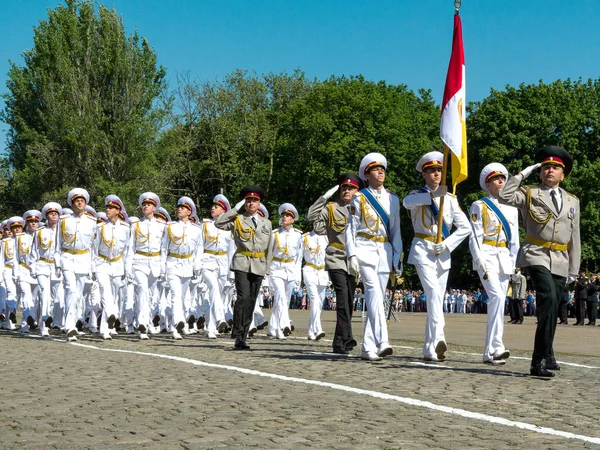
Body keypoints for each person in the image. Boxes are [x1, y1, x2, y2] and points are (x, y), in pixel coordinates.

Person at [498, 145, 580, 377]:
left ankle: (549, 353)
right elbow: (504, 195)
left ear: (563, 175)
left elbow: (575, 237)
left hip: (561, 259)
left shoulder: (572, 200)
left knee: (553, 306)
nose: (549, 170)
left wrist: (573, 268)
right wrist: (524, 173)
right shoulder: (530, 193)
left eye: (555, 168)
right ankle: (537, 362)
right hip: (536, 253)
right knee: (548, 298)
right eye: (545, 167)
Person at [403, 151, 470, 361]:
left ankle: (429, 348)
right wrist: (434, 195)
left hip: (442, 251)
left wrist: (448, 243)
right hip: (423, 248)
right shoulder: (416, 195)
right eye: (431, 171)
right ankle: (440, 337)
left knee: (437, 298)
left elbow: (465, 228)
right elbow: (407, 203)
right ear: (424, 174)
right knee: (432, 293)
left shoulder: (450, 199)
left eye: (439, 170)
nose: (436, 174)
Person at [346, 152, 403, 361]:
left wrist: (398, 257)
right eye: (375, 170)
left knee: (376, 298)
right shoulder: (359, 198)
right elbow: (351, 229)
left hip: (385, 250)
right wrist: (351, 254)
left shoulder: (393, 199)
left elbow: (396, 231)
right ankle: (383, 340)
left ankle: (367, 347)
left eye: (382, 169)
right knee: (374, 294)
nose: (380, 172)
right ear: (367, 175)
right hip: (364, 248)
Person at [469, 163, 519, 365]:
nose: (501, 182)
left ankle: (489, 351)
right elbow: (474, 236)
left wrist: (515, 264)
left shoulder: (512, 207)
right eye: (496, 180)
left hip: (504, 257)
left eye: (502, 179)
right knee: (497, 296)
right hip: (487, 255)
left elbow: (514, 239)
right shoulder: (479, 205)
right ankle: (496, 347)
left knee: (499, 302)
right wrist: (478, 259)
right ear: (488, 185)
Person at [308, 173, 362, 354]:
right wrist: (325, 196)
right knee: (342, 294)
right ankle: (347, 336)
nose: (346, 190)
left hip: (355, 259)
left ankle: (338, 343)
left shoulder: (363, 209)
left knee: (348, 299)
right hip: (336, 256)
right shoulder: (331, 208)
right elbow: (311, 216)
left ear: (357, 191)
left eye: (350, 188)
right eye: (343, 188)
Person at [214, 185, 272, 350]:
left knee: (252, 301)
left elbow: (269, 248)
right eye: (248, 200)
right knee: (243, 297)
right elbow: (219, 223)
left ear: (259, 203)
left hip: (259, 265)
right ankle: (238, 334)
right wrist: (236, 208)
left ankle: (243, 335)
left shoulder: (266, 223)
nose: (251, 203)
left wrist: (266, 269)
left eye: (254, 200)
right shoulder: (237, 220)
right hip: (242, 262)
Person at [56, 189, 97, 342]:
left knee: (78, 294)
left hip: (83, 259)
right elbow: (57, 243)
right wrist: (57, 263)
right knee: (70, 290)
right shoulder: (64, 220)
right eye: (76, 201)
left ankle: (72, 323)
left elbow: (93, 246)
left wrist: (92, 266)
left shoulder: (92, 222)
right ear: (71, 204)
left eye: (82, 201)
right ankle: (70, 326)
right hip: (67, 257)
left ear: (85, 204)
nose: (79, 203)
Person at [161, 196, 203, 339]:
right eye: (179, 207)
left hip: (187, 265)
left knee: (184, 296)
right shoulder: (170, 227)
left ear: (189, 212)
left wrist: (197, 264)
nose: (180, 209)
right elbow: (163, 248)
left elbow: (199, 248)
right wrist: (162, 266)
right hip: (173, 263)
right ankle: (176, 325)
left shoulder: (197, 229)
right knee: (176, 295)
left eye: (183, 208)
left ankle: (182, 323)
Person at [127, 192, 166, 339]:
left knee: (150, 296)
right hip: (139, 261)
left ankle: (148, 321)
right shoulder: (136, 225)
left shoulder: (162, 226)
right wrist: (128, 266)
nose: (145, 207)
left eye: (148, 205)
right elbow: (130, 248)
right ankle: (141, 325)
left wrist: (163, 267)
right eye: (143, 205)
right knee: (142, 290)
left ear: (154, 208)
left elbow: (163, 249)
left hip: (155, 262)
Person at [94, 195, 132, 340]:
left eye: (111, 208)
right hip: (102, 263)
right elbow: (94, 248)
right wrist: (93, 266)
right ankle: (111, 315)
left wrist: (127, 268)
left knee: (114, 295)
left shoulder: (125, 228)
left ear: (118, 211)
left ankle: (105, 328)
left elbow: (128, 250)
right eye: (107, 208)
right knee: (105, 292)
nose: (107, 210)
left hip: (117, 264)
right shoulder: (100, 227)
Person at [200, 194, 235, 339]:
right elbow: (199, 245)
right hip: (207, 260)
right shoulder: (206, 225)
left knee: (217, 295)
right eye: (213, 206)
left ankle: (211, 327)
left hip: (223, 262)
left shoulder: (229, 227)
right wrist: (197, 264)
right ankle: (221, 319)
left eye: (217, 207)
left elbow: (232, 250)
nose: (213, 208)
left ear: (224, 211)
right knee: (214, 288)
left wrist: (231, 272)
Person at [266, 203, 303, 339]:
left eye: (288, 216)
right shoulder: (274, 234)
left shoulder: (298, 235)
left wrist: (298, 276)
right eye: (283, 215)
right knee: (280, 296)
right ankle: (284, 325)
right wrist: (267, 272)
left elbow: (299, 257)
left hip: (290, 268)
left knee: (284, 300)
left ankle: (272, 327)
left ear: (293, 219)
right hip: (276, 267)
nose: (284, 218)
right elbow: (268, 253)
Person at [30, 202, 64, 336]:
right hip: (42, 265)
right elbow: (34, 250)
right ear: (46, 216)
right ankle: (44, 324)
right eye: (51, 214)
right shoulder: (40, 231)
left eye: (55, 214)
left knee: (58, 297)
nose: (53, 216)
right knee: (45, 293)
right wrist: (33, 266)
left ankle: (57, 322)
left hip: (57, 267)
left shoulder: (62, 231)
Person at [302, 224, 329, 340]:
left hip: (323, 271)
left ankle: (310, 330)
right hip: (309, 269)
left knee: (320, 301)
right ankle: (318, 328)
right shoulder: (305, 237)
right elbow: (298, 257)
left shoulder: (327, 238)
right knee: (314, 299)